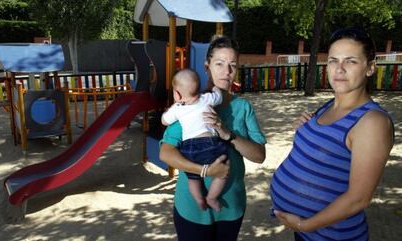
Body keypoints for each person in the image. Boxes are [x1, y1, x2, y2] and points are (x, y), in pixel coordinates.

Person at [270, 27, 394, 240]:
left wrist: (305, 224)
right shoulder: (328, 105)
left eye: (351, 61)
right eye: (333, 60)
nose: (339, 68)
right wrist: (306, 131)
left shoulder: (372, 122)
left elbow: (359, 198)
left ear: (370, 68)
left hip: (331, 235)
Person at [159, 36, 266, 241]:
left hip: (230, 207)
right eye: (219, 64)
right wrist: (206, 171)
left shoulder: (243, 108)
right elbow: (166, 152)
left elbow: (259, 155)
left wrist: (228, 134)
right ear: (207, 67)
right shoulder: (189, 104)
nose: (226, 71)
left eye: (232, 65)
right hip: (191, 207)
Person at [161, 68, 227, 212]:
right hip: (209, 144)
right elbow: (219, 97)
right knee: (224, 169)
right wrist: (215, 88)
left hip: (188, 148)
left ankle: (198, 199)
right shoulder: (207, 99)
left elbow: (164, 121)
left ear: (177, 94)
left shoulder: (177, 108)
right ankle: (211, 198)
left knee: (192, 178)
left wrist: (170, 109)